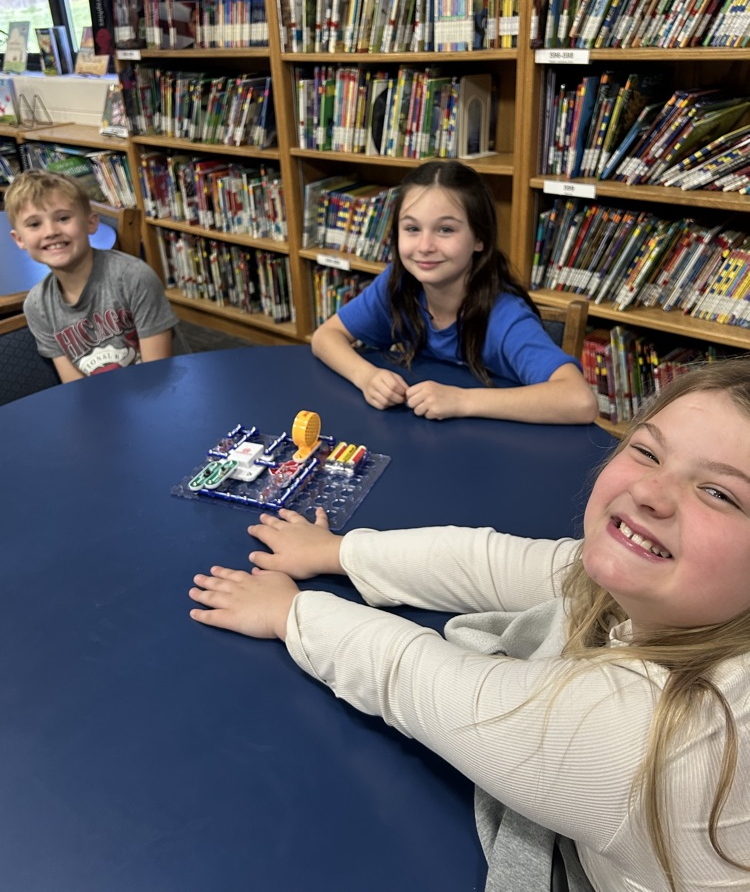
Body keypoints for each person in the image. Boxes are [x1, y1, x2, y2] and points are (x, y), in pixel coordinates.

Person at [189, 358, 750, 891]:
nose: (650, 492)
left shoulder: (668, 739)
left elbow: (428, 684)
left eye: (720, 493)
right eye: (648, 452)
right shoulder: (689, 598)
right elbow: (496, 562)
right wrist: (341, 553)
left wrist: (291, 612)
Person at [311, 160, 597, 423]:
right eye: (412, 228)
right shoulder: (397, 284)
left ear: (479, 239)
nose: (425, 246)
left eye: (445, 230)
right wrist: (367, 377)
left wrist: (461, 400)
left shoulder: (505, 316)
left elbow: (580, 401)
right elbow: (325, 337)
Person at [7, 169, 178, 382]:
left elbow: (158, 374)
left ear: (91, 223)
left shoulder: (133, 277)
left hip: (161, 392)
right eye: (34, 224)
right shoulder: (37, 306)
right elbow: (74, 386)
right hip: (99, 403)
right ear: (19, 239)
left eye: (63, 218)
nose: (50, 231)